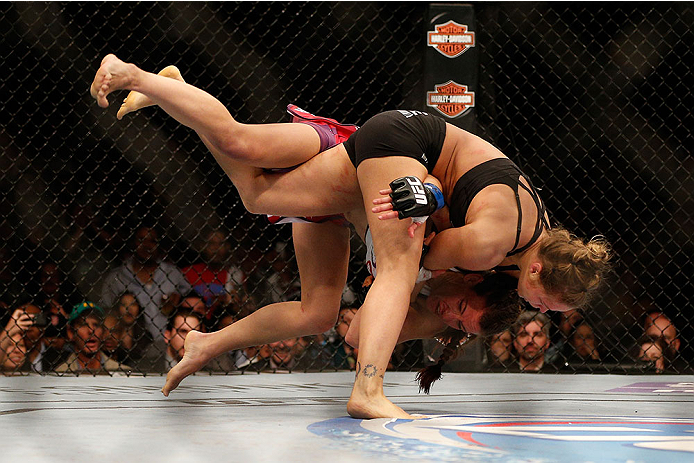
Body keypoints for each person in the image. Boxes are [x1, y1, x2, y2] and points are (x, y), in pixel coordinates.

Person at [91, 55, 609, 418]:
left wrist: (433, 312)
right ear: (538, 269)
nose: (540, 313)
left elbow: (365, 318)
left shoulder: (521, 251)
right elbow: (421, 252)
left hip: (373, 189)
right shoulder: (493, 244)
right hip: (401, 145)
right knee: (400, 264)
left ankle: (171, 90)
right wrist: (427, 198)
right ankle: (369, 388)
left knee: (260, 202)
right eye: (547, 304)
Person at [101, 226, 192, 345]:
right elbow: (104, 312)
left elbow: (193, 302)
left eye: (152, 241)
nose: (147, 245)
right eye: (141, 240)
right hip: (130, 346)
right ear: (133, 242)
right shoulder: (117, 278)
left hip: (170, 344)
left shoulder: (172, 274)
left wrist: (180, 302)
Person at [54, 302, 132, 374]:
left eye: (96, 324)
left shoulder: (122, 372)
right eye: (83, 324)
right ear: (71, 333)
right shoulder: (61, 374)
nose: (91, 330)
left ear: (102, 332)